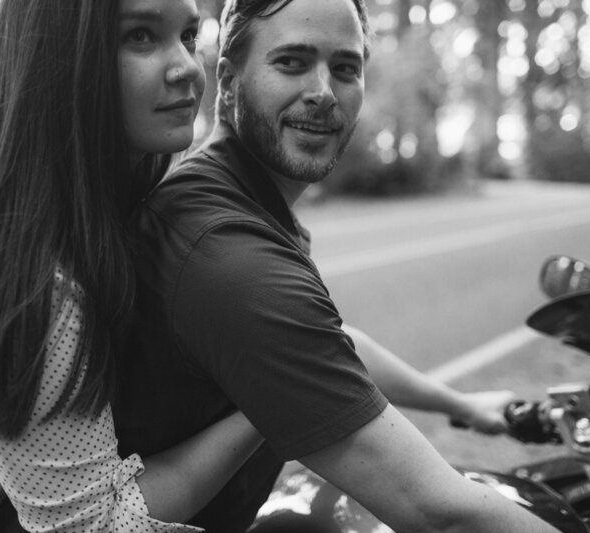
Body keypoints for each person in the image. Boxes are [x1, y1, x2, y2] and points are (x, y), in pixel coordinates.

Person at [117, 0, 561, 531]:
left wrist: (459, 404)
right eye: (292, 62)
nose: (324, 93)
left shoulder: (225, 197)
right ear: (229, 82)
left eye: (345, 68)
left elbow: (324, 343)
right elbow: (439, 514)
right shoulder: (229, 258)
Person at [0, 0, 265, 531]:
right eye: (139, 35)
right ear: (60, 60)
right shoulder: (25, 274)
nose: (188, 65)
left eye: (188, 35)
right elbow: (91, 525)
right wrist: (267, 408)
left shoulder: (97, 210)